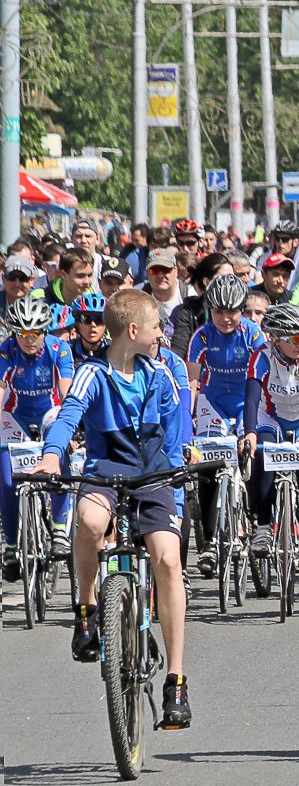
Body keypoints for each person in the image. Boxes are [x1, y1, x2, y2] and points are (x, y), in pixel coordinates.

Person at [35, 289, 195, 726]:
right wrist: (52, 455)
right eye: (157, 327)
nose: (162, 334)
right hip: (105, 470)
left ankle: (176, 682)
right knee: (88, 520)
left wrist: (176, 494)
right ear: (133, 330)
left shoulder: (159, 375)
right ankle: (86, 609)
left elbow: (176, 435)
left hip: (155, 476)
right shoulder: (93, 374)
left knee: (167, 558)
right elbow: (69, 415)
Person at [243, 303, 299, 576]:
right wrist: (249, 432)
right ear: (275, 338)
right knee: (263, 461)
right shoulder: (261, 357)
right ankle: (263, 527)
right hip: (270, 416)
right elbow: (251, 398)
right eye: (294, 338)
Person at [185, 273, 264, 574]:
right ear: (209, 310)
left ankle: (257, 519)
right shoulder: (202, 336)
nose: (226, 318)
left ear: (242, 310)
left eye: (232, 311)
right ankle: (207, 543)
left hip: (246, 401)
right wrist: (187, 420)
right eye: (219, 311)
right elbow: (192, 382)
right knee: (207, 466)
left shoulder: (254, 334)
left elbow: (262, 377)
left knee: (255, 454)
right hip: (213, 403)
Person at [0, 297, 74, 578]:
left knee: (59, 449)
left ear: (45, 330)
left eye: (36, 333)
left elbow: (66, 391)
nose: (30, 340)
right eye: (23, 334)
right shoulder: (6, 352)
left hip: (49, 411)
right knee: (6, 477)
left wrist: (72, 426)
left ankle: (58, 529)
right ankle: (9, 544)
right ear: (14, 333)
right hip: (15, 415)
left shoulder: (59, 348)